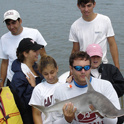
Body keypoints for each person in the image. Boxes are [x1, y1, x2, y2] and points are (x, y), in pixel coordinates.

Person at [53, 51, 120, 123]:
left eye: (87, 67)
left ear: (90, 67)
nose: (83, 71)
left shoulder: (105, 86)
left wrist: (101, 115)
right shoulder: (60, 91)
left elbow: (114, 121)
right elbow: (55, 121)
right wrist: (67, 120)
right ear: (71, 69)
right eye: (78, 68)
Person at [0, 9, 47, 87]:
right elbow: (4, 63)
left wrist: (47, 76)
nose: (11, 27)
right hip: (13, 80)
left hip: (33, 79)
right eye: (8, 24)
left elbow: (44, 56)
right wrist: (1, 83)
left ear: (20, 21)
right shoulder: (3, 39)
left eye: (13, 23)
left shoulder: (34, 33)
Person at [69, 0, 120, 69]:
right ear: (78, 6)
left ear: (94, 4)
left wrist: (117, 66)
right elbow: (75, 50)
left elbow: (112, 44)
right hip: (85, 67)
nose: (86, 9)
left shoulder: (105, 20)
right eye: (83, 6)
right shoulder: (75, 26)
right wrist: (72, 69)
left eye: (89, 5)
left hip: (102, 65)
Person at [86, 43, 124, 124]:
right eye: (92, 57)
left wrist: (106, 90)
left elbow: (122, 87)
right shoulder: (83, 73)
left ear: (102, 56)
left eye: (98, 56)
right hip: (90, 113)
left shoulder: (112, 69)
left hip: (110, 109)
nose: (95, 59)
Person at [10, 38, 44, 124]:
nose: (38, 53)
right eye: (34, 51)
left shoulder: (37, 67)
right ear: (25, 53)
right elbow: (21, 105)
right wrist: (32, 87)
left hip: (42, 113)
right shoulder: (18, 77)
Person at [29, 55, 63, 124]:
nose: (50, 77)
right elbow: (36, 114)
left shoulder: (64, 86)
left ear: (57, 68)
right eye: (46, 74)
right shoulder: (38, 89)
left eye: (52, 72)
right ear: (41, 73)